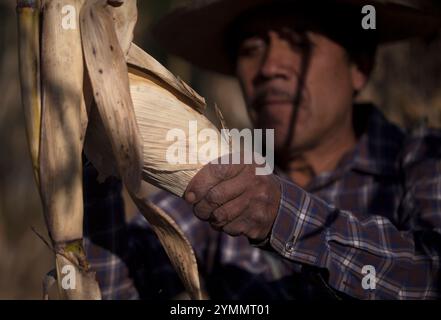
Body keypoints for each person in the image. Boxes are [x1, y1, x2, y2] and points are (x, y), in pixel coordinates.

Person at [83, 0, 441, 299]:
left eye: (300, 43)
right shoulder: (222, 177)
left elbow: (429, 278)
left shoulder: (421, 160)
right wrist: (92, 141)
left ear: (360, 67)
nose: (269, 68)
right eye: (251, 50)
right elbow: (110, 288)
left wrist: (281, 215)